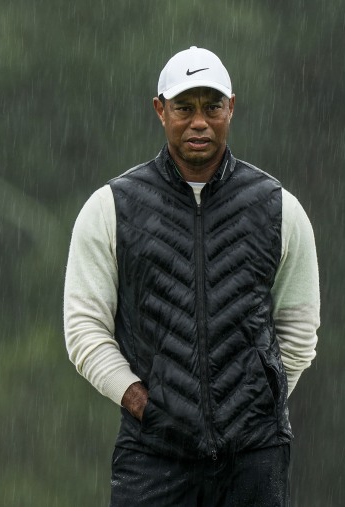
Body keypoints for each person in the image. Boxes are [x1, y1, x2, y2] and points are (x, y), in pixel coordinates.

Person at [63, 46, 320, 506]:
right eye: (184, 107)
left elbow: (299, 329)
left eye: (212, 106)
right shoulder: (110, 209)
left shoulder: (280, 208)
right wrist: (143, 404)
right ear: (160, 110)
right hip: (153, 456)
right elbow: (84, 328)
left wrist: (259, 401)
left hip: (254, 458)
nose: (199, 121)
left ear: (232, 108)